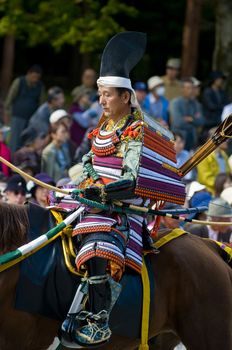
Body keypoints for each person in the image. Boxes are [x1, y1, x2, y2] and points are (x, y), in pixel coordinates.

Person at [59, 32, 186, 347]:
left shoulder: (134, 132)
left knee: (99, 245)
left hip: (121, 214)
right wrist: (85, 181)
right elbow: (89, 160)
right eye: (100, 94)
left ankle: (99, 319)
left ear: (126, 97)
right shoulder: (104, 127)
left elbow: (131, 180)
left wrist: (101, 193)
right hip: (92, 203)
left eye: (108, 95)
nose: (101, 101)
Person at [4, 64, 45, 153]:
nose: (35, 79)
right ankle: (11, 162)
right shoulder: (19, 81)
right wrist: (7, 113)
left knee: (26, 142)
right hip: (17, 116)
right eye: (34, 77)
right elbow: (10, 98)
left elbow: (41, 103)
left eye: (37, 78)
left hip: (31, 119)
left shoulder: (40, 86)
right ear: (29, 74)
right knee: (14, 141)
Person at [169, 78, 204, 151]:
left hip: (192, 140)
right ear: (182, 89)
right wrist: (194, 120)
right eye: (188, 88)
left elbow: (201, 121)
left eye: (192, 88)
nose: (190, 90)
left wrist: (190, 119)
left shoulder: (196, 104)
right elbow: (177, 122)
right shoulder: (175, 103)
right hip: (178, 141)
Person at [197, 128, 230, 195]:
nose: (227, 140)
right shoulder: (203, 156)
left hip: (225, 189)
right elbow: (206, 179)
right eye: (225, 138)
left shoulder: (223, 154)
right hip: (209, 193)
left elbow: (229, 173)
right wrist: (223, 185)